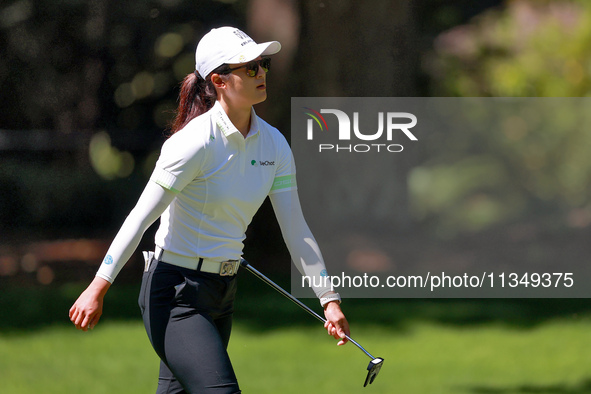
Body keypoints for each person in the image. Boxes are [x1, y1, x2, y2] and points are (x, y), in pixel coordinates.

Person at [69, 26, 349, 394]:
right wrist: (98, 286)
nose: (262, 73)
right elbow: (140, 219)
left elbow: (295, 228)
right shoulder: (193, 143)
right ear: (219, 80)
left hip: (222, 294)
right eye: (250, 69)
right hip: (174, 295)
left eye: (263, 65)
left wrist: (329, 299)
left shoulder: (275, 145)